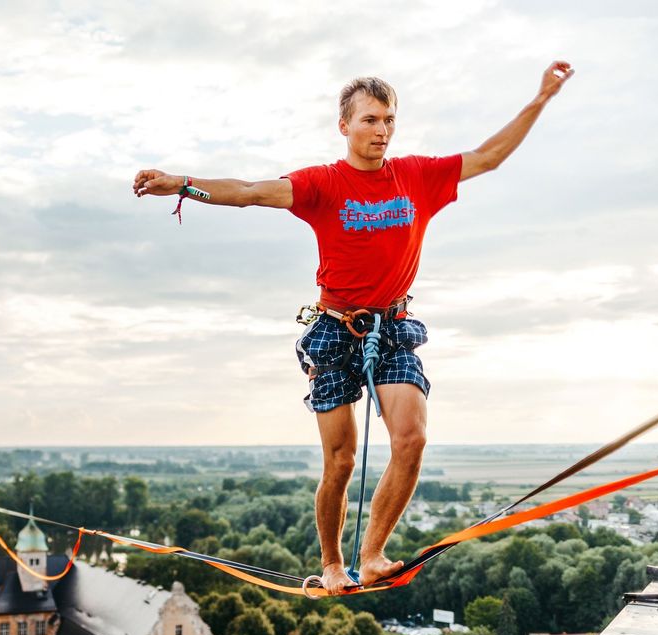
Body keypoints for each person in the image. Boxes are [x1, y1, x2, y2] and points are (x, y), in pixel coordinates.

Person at [133, 61, 575, 592]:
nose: (381, 131)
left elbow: (488, 157)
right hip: (335, 330)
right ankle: (331, 564)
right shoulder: (323, 184)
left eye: (389, 120)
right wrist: (179, 184)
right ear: (345, 125)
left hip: (392, 327)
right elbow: (248, 190)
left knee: (411, 438)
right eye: (370, 120)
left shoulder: (416, 175)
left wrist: (541, 97)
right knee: (340, 460)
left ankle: (373, 555)